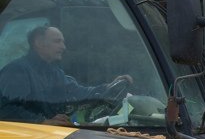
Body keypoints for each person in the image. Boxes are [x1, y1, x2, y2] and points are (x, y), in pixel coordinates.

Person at [0, 24, 132, 125]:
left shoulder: (54, 72)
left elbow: (78, 92)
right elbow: (7, 109)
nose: (64, 47)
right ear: (39, 43)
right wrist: (42, 121)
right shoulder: (17, 71)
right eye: (57, 41)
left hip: (48, 135)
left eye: (63, 42)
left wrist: (109, 86)